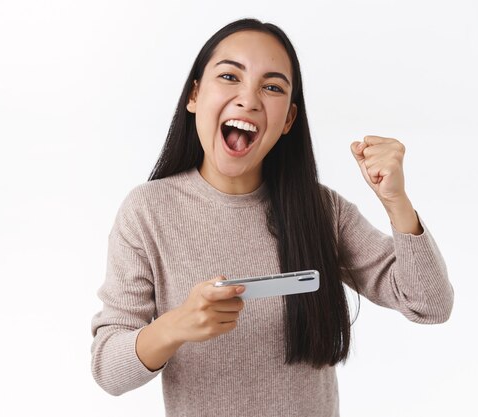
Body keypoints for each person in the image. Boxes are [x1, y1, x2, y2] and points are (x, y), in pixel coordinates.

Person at [90, 18, 454, 417]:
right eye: (230, 76)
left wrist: (395, 201)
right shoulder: (147, 211)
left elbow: (430, 304)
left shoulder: (321, 210)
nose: (248, 99)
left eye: (272, 86)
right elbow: (109, 368)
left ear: (288, 120)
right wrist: (174, 326)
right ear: (194, 95)